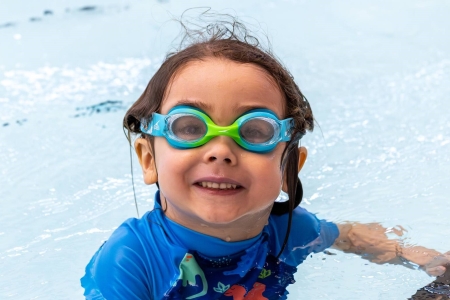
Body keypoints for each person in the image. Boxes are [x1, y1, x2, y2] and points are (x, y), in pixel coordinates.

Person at [80, 18, 450, 300]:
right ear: (149, 159)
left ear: (290, 169)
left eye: (255, 132)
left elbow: (352, 236)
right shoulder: (130, 261)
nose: (221, 150)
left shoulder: (288, 231)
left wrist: (420, 256)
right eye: (190, 127)